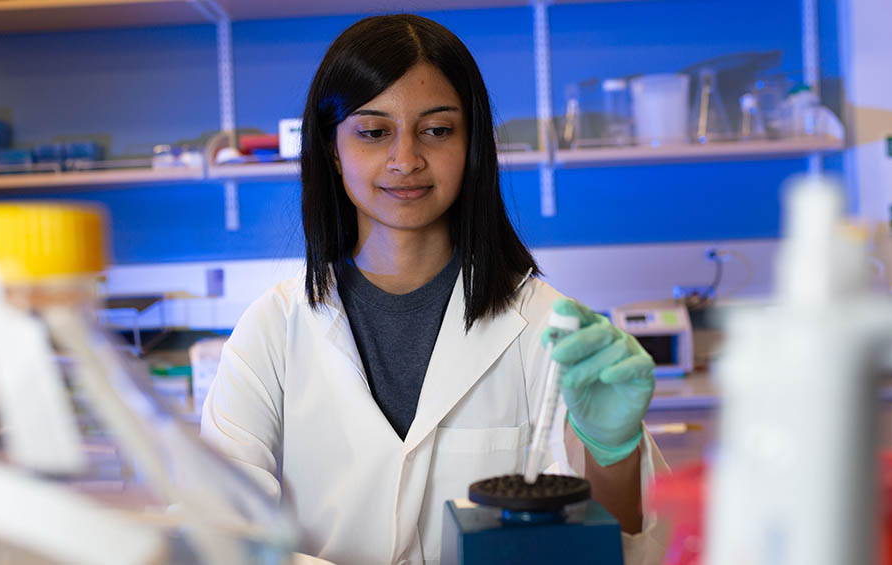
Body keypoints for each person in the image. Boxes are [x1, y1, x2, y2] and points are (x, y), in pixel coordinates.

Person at [201, 13, 668, 564]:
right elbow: (219, 535)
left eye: (437, 130)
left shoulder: (549, 327)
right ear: (332, 149)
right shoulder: (272, 332)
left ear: (471, 144)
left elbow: (621, 547)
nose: (406, 160)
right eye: (374, 132)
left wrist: (611, 451)